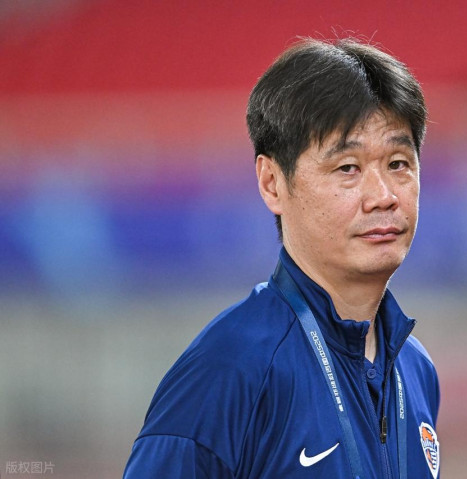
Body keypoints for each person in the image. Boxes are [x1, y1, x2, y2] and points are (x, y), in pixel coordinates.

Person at [123, 37, 440, 479]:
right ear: (272, 183)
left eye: (399, 163)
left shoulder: (415, 368)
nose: (383, 196)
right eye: (347, 168)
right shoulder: (228, 369)